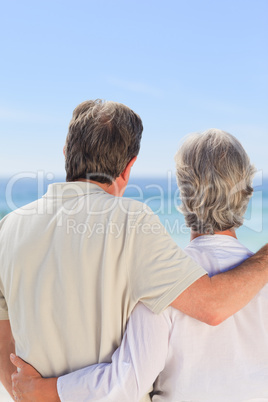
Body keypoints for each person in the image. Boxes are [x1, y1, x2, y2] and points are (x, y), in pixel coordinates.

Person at [0, 102, 267, 401]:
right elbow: (211, 305)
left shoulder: (8, 227)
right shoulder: (140, 236)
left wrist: (29, 393)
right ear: (129, 168)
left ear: (66, 153)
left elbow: (3, 335)